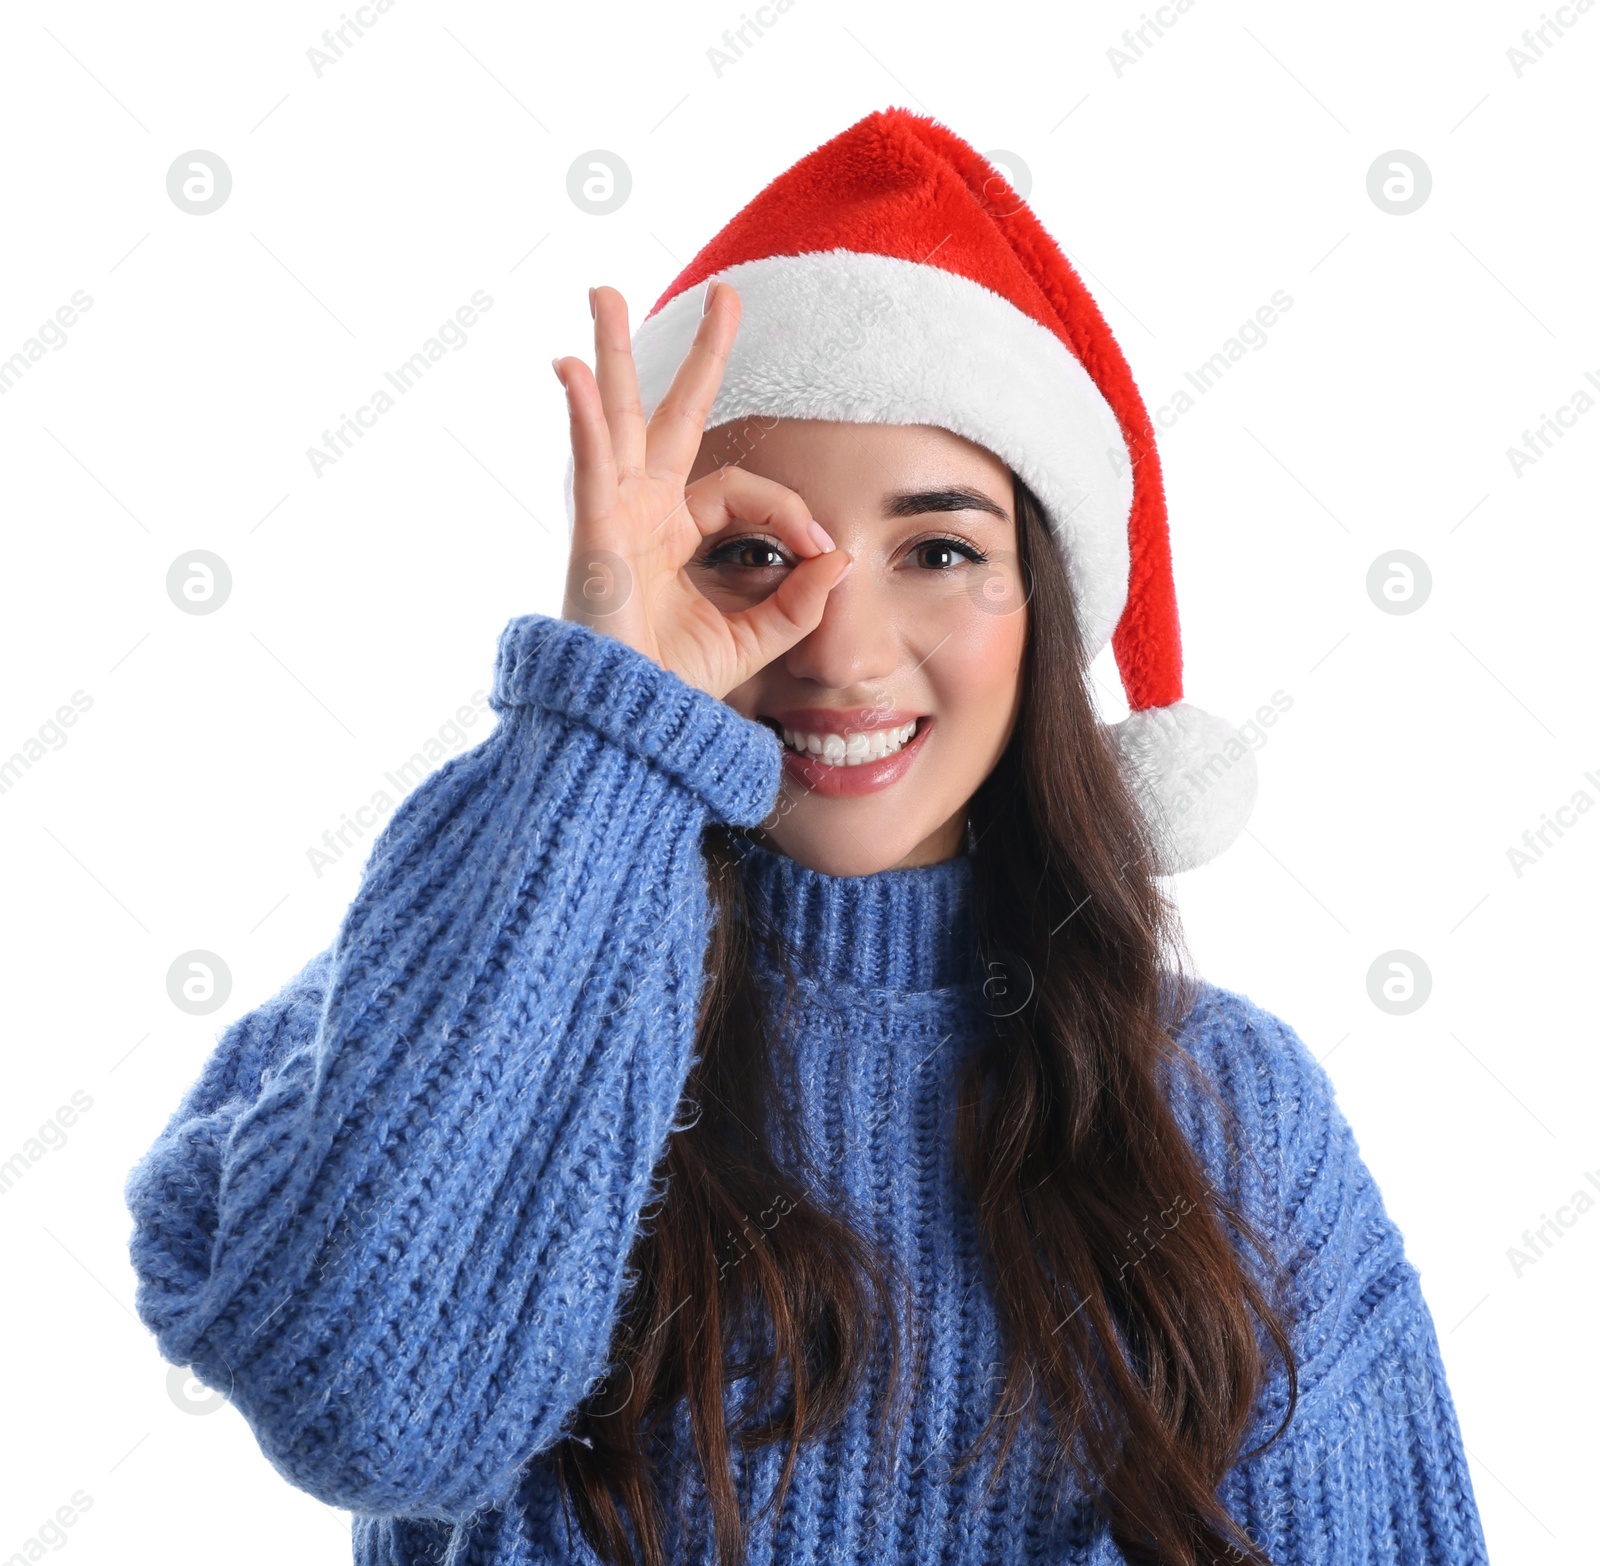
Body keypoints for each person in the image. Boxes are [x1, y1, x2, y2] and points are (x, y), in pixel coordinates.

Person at [122, 108, 1490, 1566]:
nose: (838, 646)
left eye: (942, 550)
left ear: (1046, 614)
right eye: (748, 555)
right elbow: (372, 1419)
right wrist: (609, 723)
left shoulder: (1228, 1107)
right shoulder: (447, 1014)